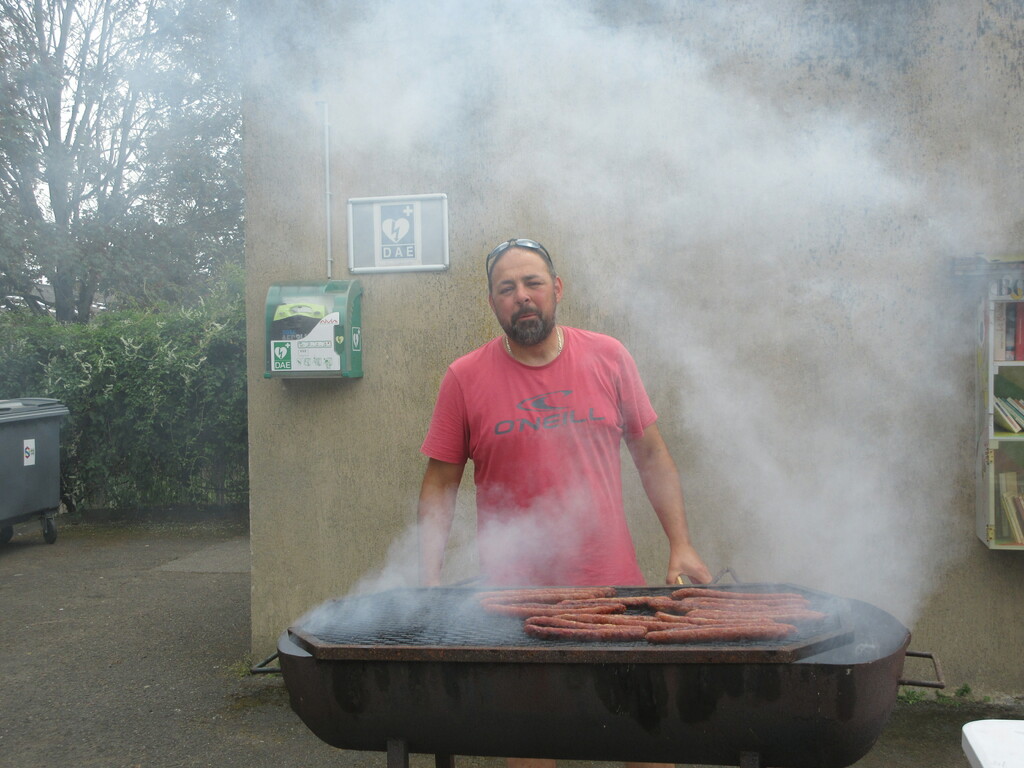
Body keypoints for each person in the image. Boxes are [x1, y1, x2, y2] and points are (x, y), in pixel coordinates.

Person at [417, 238, 711, 768]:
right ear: (492, 302)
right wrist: (429, 575)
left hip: (611, 587)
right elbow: (440, 484)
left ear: (556, 288)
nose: (522, 296)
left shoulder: (609, 356)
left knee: (647, 737)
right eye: (507, 288)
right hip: (515, 600)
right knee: (532, 745)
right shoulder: (464, 377)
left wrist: (681, 543)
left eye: (532, 283)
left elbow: (651, 454)